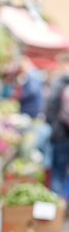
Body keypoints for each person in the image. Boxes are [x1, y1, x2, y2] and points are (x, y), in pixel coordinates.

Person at [46, 51, 69, 199]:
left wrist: (53, 127)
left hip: (61, 134)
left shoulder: (59, 82)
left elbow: (49, 108)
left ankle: (57, 208)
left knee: (57, 172)